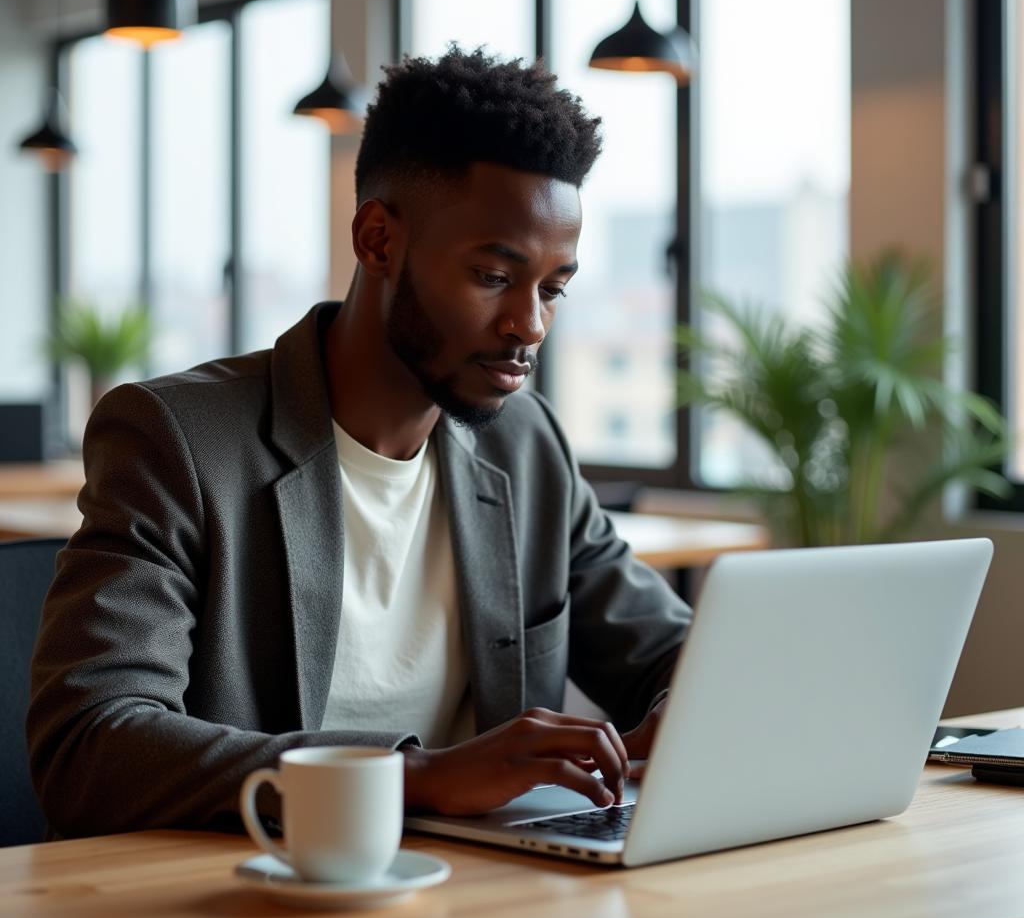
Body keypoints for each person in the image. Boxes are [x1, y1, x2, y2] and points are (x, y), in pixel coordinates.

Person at [27, 46, 692, 838]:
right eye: (493, 277)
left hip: (495, 899)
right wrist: (416, 777)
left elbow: (674, 650)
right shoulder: (177, 441)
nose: (530, 325)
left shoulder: (526, 446)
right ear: (377, 241)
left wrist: (689, 712)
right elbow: (88, 744)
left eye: (552, 288)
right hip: (257, 901)